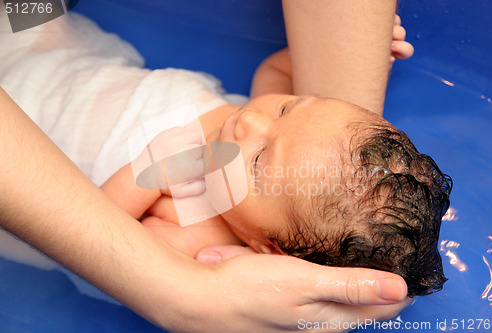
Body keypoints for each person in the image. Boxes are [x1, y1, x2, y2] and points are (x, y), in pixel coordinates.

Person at [0, 1, 414, 332]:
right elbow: (275, 70)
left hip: (31, 139)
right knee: (34, 17)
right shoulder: (275, 141)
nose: (252, 119)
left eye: (258, 157)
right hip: (69, 64)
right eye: (288, 108)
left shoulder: (196, 241)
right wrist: (360, 50)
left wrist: (151, 172)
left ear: (264, 249)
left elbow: (98, 235)